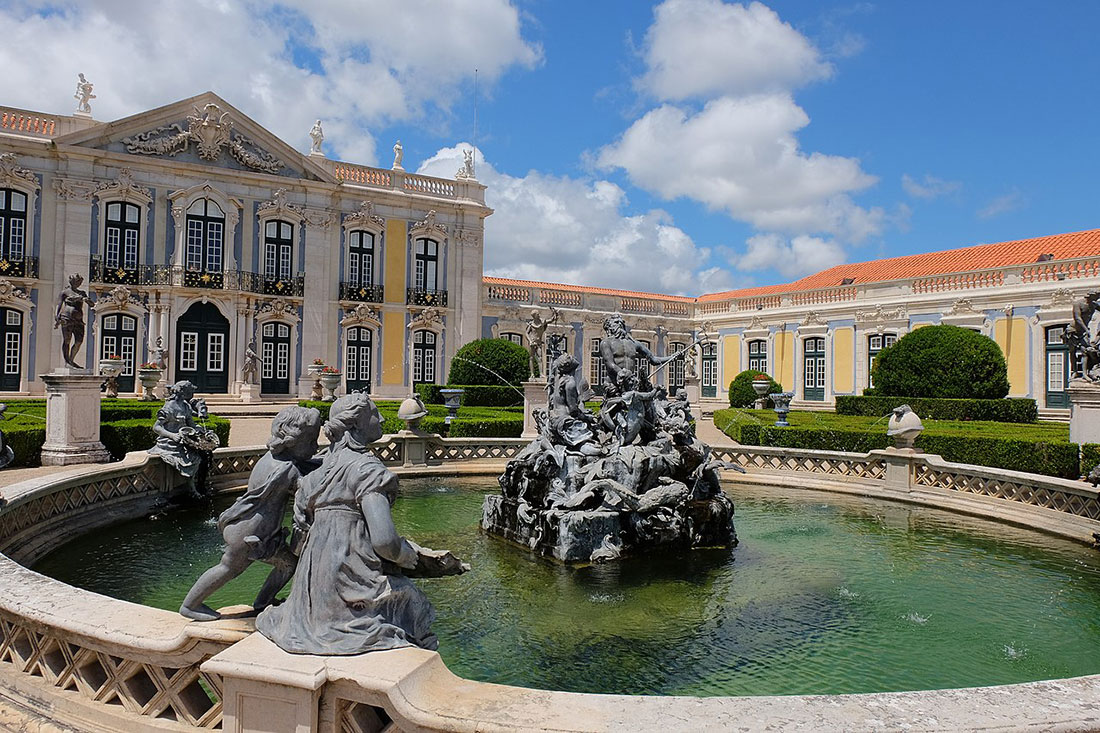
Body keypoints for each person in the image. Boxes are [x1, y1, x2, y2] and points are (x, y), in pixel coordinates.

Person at [256, 392, 468, 655]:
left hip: (310, 597)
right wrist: (405, 555)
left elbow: (298, 547)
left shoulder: (314, 476)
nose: (380, 418)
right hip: (350, 584)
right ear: (355, 425)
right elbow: (384, 541)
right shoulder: (365, 470)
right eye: (374, 414)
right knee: (412, 602)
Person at [180, 406, 321, 621]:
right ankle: (190, 605)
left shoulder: (271, 458)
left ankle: (262, 602)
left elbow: (304, 465)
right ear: (292, 441)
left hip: (247, 524)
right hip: (250, 533)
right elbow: (308, 488)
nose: (316, 446)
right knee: (228, 568)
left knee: (287, 564)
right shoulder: (287, 471)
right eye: (311, 441)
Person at [149, 381, 219, 499]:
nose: (193, 392)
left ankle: (201, 486)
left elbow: (191, 424)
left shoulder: (185, 406)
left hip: (184, 440)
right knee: (195, 459)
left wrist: (202, 430)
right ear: (183, 391)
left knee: (206, 454)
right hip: (169, 443)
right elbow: (156, 427)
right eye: (191, 390)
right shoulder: (168, 407)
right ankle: (191, 489)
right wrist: (172, 435)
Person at [598, 314, 673, 395]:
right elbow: (610, 364)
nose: (619, 324)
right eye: (616, 322)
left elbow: (653, 359)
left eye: (622, 323)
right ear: (610, 326)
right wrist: (625, 374)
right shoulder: (606, 343)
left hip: (630, 384)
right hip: (613, 385)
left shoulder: (634, 343)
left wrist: (671, 357)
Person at [54, 273, 95, 368]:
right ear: (72, 281)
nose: (79, 284)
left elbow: (92, 304)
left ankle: (71, 360)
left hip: (79, 320)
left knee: (79, 341)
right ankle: (67, 361)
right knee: (67, 340)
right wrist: (56, 316)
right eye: (77, 281)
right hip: (66, 318)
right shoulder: (65, 292)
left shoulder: (82, 293)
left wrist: (87, 300)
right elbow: (58, 304)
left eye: (80, 282)